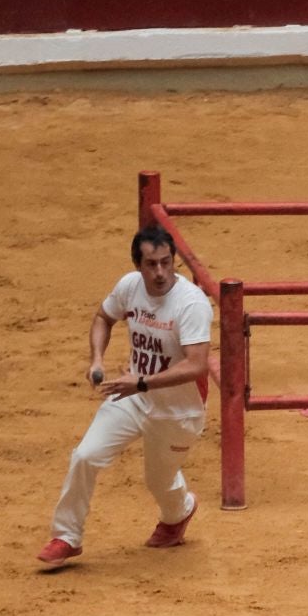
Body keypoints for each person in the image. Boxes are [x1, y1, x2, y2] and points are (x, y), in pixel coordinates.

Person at [38, 225, 212, 567]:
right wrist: (97, 360)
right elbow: (103, 317)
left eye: (166, 262)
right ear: (138, 265)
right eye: (151, 264)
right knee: (86, 456)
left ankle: (180, 512)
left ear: (173, 261)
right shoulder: (129, 287)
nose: (160, 272)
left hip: (178, 410)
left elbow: (196, 366)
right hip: (132, 395)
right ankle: (67, 536)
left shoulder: (191, 304)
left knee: (158, 481)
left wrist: (142, 381)